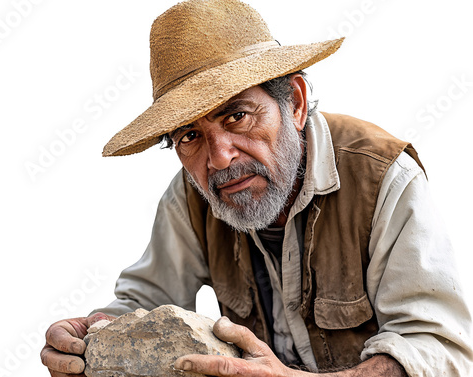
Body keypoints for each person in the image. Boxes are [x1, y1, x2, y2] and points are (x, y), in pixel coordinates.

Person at [40, 0, 473, 376]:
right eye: (189, 135)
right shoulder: (192, 198)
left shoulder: (383, 178)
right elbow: (145, 302)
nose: (219, 158)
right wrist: (88, 335)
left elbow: (441, 350)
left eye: (237, 117)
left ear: (296, 104)